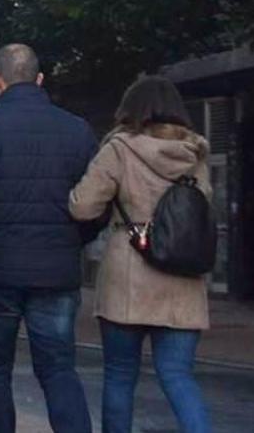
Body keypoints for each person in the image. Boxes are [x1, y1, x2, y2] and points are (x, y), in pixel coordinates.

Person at [0, 43, 97, 433]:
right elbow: (96, 203)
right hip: (56, 270)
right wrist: (73, 240)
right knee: (60, 369)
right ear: (40, 79)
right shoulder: (77, 130)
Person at [69, 76, 212, 433]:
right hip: (183, 276)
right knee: (178, 375)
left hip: (128, 273)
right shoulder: (195, 154)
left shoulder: (118, 149)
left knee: (119, 376)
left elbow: (83, 207)